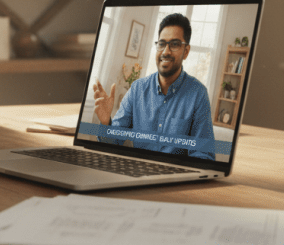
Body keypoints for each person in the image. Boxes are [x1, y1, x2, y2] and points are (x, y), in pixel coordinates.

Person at [92, 12, 215, 160]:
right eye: (162, 44)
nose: (165, 51)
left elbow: (204, 153)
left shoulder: (198, 94)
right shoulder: (137, 89)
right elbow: (113, 142)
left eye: (174, 44)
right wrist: (106, 123)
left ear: (186, 51)